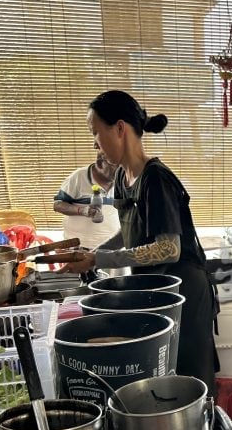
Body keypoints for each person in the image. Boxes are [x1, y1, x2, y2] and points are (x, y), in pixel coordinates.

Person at [59, 90, 218, 393]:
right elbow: (130, 232)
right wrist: (93, 252)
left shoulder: (156, 179)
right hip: (155, 290)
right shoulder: (123, 177)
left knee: (190, 376)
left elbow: (167, 249)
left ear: (119, 128)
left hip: (184, 290)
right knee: (161, 375)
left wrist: (98, 260)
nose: (95, 144)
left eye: (97, 133)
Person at [53, 150, 121, 249]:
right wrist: (82, 211)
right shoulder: (78, 177)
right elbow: (58, 205)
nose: (121, 173)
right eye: (116, 168)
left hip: (110, 250)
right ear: (100, 164)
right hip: (78, 248)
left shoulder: (123, 179)